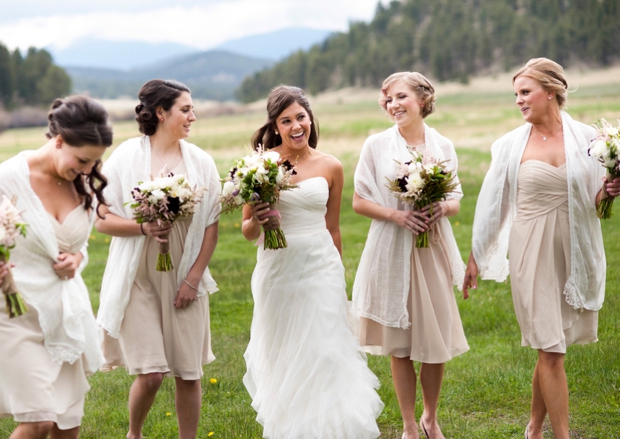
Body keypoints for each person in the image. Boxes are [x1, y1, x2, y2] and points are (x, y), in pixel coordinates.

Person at [462, 58, 620, 439]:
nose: (518, 100)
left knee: (553, 346)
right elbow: (493, 205)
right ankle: (561, 435)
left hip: (574, 247)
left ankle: (534, 427)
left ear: (551, 91)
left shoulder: (588, 139)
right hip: (531, 249)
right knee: (550, 347)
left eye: (525, 92)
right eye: (516, 93)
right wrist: (476, 256)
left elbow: (596, 206)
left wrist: (610, 190)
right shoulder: (510, 146)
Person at [0, 95, 113, 439]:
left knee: (67, 424)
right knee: (40, 419)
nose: (89, 169)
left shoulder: (83, 181)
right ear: (58, 141)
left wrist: (76, 259)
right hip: (11, 309)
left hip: (64, 311)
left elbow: (81, 245)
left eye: (95, 161)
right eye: (82, 159)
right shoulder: (9, 178)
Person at [241, 85, 383, 439]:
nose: (295, 126)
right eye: (285, 120)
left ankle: (335, 427)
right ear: (275, 126)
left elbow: (333, 228)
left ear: (310, 118)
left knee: (325, 347)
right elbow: (245, 230)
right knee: (284, 348)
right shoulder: (260, 165)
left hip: (321, 266)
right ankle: (291, 427)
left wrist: (338, 273)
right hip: (277, 268)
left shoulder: (331, 166)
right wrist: (259, 219)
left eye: (300, 117)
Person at [95, 79, 220, 439]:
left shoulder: (201, 162)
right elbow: (102, 219)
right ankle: (134, 434)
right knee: (150, 375)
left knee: (188, 372)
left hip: (184, 274)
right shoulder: (125, 157)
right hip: (138, 276)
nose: (193, 116)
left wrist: (193, 280)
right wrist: (142, 227)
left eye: (192, 109)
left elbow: (211, 228)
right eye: (186, 109)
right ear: (162, 113)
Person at [352, 72, 468, 439]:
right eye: (388, 100)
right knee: (399, 343)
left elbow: (456, 199)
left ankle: (430, 418)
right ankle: (407, 425)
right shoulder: (376, 145)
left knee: (434, 341)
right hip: (391, 246)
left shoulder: (443, 145)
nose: (393, 105)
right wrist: (398, 215)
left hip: (430, 247)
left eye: (400, 97)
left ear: (422, 99)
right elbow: (359, 201)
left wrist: (442, 209)